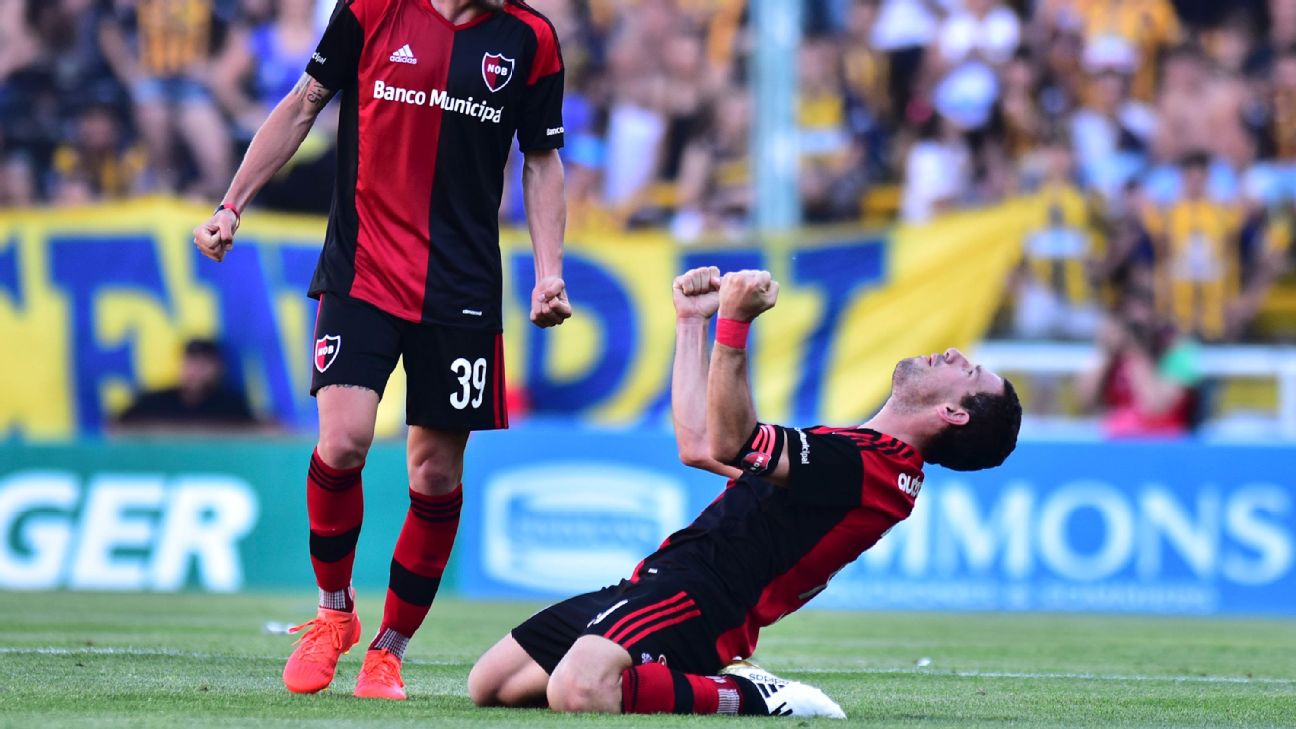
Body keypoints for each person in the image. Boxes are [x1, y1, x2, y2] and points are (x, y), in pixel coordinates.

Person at [190, 0, 570, 701]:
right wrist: (231, 203)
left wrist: (550, 273)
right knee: (343, 441)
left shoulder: (531, 38)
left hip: (460, 289)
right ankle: (333, 613)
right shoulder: (372, 9)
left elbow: (543, 159)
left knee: (432, 473)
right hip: (362, 272)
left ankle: (388, 650)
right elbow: (304, 104)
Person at [467, 267, 1022, 718]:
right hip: (661, 578)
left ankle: (753, 695)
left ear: (952, 412)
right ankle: (705, 679)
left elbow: (735, 445)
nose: (952, 353)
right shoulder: (857, 450)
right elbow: (700, 444)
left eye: (967, 371)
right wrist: (691, 324)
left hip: (703, 603)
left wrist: (734, 323)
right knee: (490, 685)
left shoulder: (879, 467)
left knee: (581, 691)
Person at [115, 339, 257, 430]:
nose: (195, 370)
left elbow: (256, 433)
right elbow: (116, 427)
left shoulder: (231, 404)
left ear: (217, 368)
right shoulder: (156, 400)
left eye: (203, 365)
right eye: (190, 362)